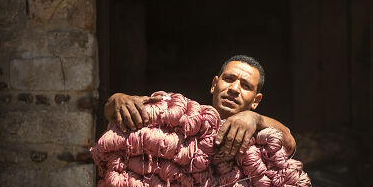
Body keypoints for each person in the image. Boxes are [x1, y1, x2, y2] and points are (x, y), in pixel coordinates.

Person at [104, 54, 295, 159]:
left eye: (246, 86)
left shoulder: (259, 132)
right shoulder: (184, 121)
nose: (234, 89)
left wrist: (256, 119)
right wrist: (117, 99)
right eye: (229, 79)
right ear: (214, 84)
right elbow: (112, 112)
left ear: (256, 100)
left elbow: (288, 141)